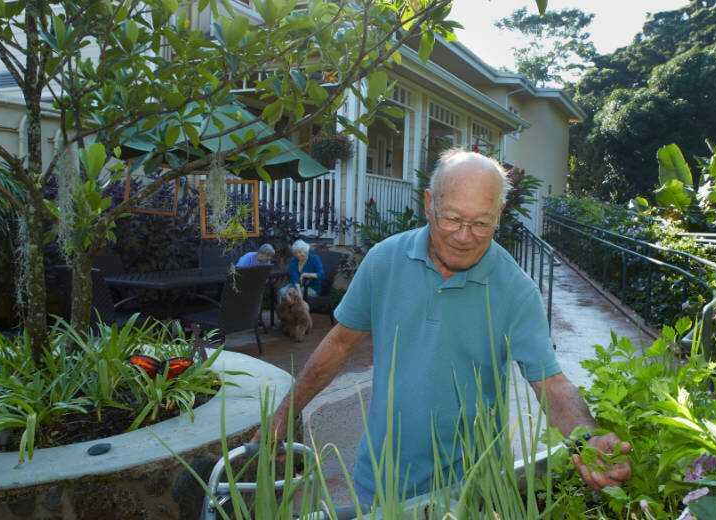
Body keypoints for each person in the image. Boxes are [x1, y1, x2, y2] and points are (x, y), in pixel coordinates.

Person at [254, 149, 631, 505]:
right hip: (381, 479)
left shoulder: (516, 290)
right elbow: (338, 344)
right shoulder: (384, 261)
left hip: (471, 487)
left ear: (499, 214)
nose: (465, 236)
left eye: (481, 223)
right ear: (429, 203)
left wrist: (586, 438)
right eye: (452, 218)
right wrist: (284, 415)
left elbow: (551, 384)